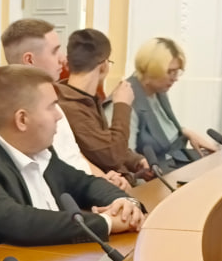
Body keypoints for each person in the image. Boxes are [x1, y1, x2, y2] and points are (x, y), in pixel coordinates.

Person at [0, 64, 145, 261]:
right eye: (52, 106)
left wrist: (125, 204)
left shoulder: (38, 149)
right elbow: (18, 222)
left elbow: (86, 183)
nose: (59, 115)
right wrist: (106, 222)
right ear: (22, 119)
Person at [0, 18, 133, 191]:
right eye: (55, 51)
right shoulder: (18, 114)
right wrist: (101, 188)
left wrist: (104, 179)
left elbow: (75, 156)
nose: (63, 59)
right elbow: (53, 179)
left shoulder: (53, 104)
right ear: (30, 60)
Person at [53, 28, 153, 180]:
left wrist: (135, 160)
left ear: (68, 63)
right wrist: (122, 105)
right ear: (104, 65)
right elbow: (112, 157)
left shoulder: (85, 98)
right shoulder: (70, 106)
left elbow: (103, 143)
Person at [124, 37, 218, 169]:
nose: (175, 79)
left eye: (177, 72)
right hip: (157, 174)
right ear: (151, 70)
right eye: (170, 72)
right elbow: (126, 158)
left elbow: (163, 127)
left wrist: (186, 132)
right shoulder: (126, 100)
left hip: (175, 161)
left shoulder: (157, 91)